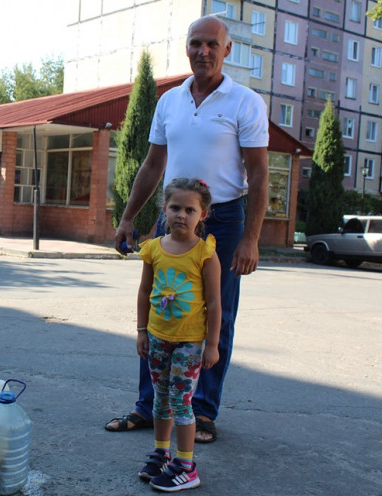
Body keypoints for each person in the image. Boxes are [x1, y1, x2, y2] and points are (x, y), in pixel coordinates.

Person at [105, 15, 269, 443]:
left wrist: (251, 238)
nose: (204, 51)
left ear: (227, 49)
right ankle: (150, 406)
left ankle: (203, 412)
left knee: (218, 312)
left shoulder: (245, 102)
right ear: (187, 48)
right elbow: (153, 164)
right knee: (163, 308)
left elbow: (260, 174)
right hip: (170, 217)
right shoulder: (169, 101)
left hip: (225, 220)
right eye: (196, 43)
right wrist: (128, 218)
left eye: (213, 44)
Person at [135, 178, 220, 492]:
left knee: (182, 403)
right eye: (175, 207)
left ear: (203, 214)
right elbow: (145, 292)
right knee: (160, 400)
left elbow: (214, 302)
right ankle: (162, 453)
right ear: (164, 209)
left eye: (189, 209)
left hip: (190, 342)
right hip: (158, 338)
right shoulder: (154, 248)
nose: (181, 214)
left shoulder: (205, 254)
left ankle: (186, 465)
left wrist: (212, 345)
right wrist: (142, 331)